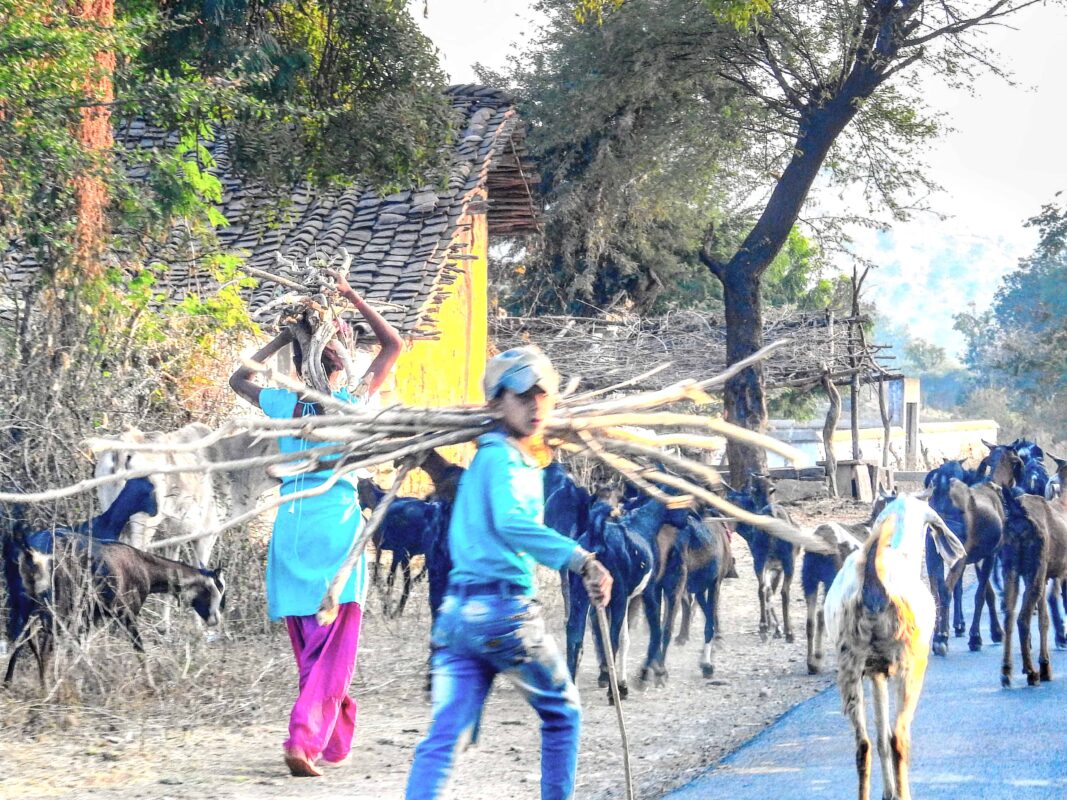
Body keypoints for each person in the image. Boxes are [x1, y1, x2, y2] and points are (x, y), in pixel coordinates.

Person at [405, 345, 613, 800]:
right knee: (563, 712)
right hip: (504, 615)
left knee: (446, 736)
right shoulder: (507, 459)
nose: (536, 405)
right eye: (522, 396)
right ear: (496, 403)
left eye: (543, 395)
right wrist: (582, 559)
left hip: (457, 617)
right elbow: (514, 523)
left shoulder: (483, 459)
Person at [229, 269, 404, 778]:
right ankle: (304, 741)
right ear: (343, 357)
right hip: (338, 532)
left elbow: (238, 378)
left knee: (312, 648)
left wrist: (283, 336)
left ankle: (333, 737)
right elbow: (393, 344)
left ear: (301, 359)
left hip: (291, 532)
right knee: (336, 646)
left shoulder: (287, 404)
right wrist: (350, 294)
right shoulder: (351, 403)